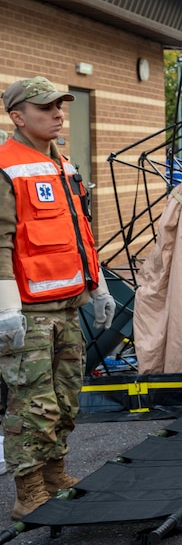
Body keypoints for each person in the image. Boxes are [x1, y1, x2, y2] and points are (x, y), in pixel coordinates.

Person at [1, 76, 116, 519]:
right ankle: (28, 489)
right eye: (45, 107)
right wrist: (6, 307)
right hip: (26, 311)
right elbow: (1, 240)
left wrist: (99, 286)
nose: (57, 113)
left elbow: (81, 233)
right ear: (18, 116)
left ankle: (54, 471)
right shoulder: (6, 167)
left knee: (66, 397)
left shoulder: (64, 167)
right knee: (32, 402)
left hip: (67, 306)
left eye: (59, 106)